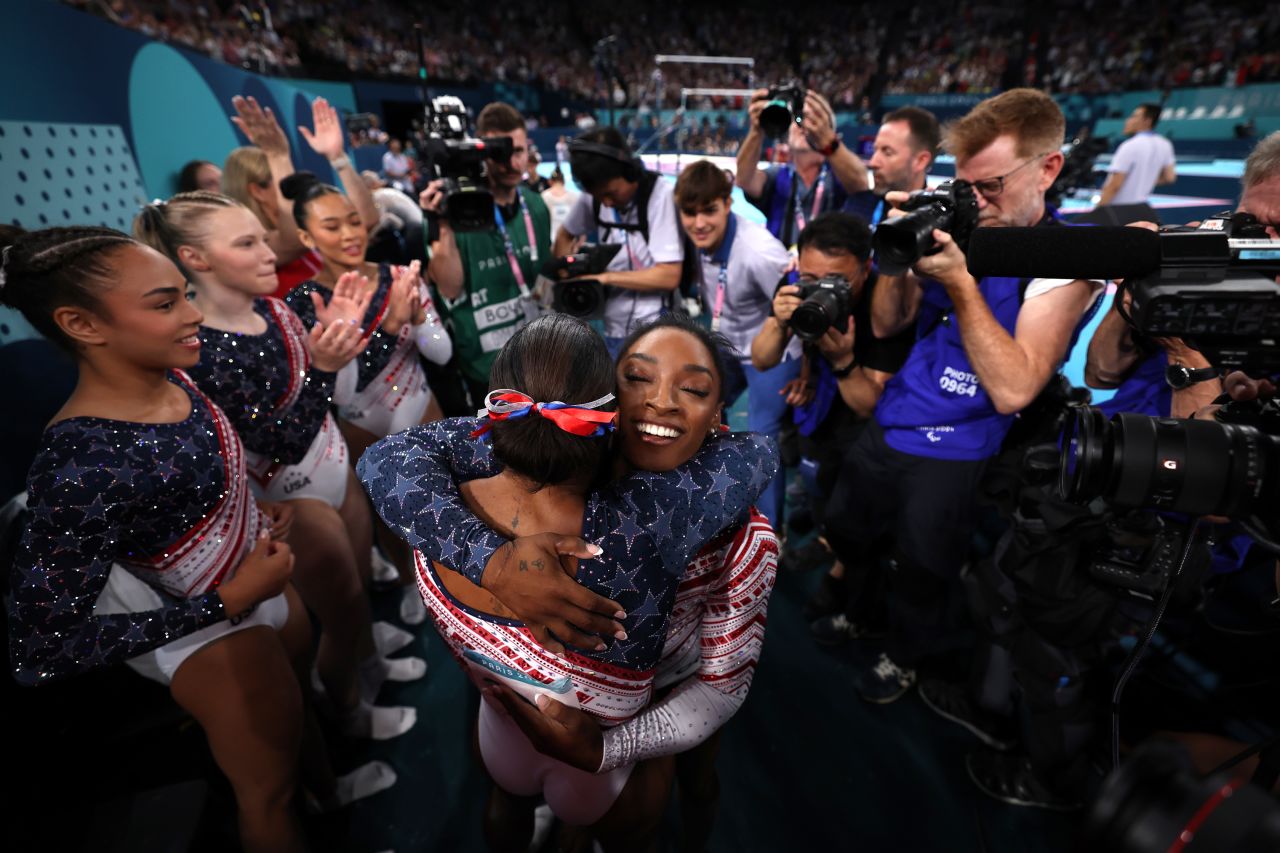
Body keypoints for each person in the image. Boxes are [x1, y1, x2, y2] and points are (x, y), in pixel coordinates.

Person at [358, 313, 777, 839]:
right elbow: (757, 451)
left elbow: (720, 688)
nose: (661, 400)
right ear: (605, 404)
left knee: (697, 780)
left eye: (691, 388)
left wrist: (483, 556)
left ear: (720, 414)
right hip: (601, 745)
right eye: (638, 377)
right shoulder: (633, 521)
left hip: (580, 716)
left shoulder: (734, 533)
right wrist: (491, 559)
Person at [2, 227, 307, 851]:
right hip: (214, 635)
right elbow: (40, 650)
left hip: (255, 584)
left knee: (300, 741)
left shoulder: (173, 375)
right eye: (166, 303)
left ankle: (330, 795)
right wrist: (224, 601)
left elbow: (194, 489)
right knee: (269, 795)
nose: (194, 314)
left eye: (187, 295)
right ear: (82, 325)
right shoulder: (80, 465)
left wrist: (251, 512)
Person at [828, 88, 1104, 703]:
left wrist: (957, 282)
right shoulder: (962, 223)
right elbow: (891, 324)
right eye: (967, 186)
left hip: (962, 442)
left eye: (993, 186)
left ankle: (905, 657)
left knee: (925, 571)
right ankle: (861, 609)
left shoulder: (1065, 256)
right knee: (850, 527)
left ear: (1048, 168)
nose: (976, 203)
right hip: (896, 413)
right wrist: (897, 252)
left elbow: (1013, 387)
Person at [133, 192, 422, 740]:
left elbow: (330, 398)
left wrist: (356, 341)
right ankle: (350, 714)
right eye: (248, 243)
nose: (271, 252)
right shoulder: (203, 350)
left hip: (332, 464)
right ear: (196, 259)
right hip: (294, 493)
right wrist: (323, 369)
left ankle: (369, 663)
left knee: (358, 590)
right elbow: (281, 439)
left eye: (264, 238)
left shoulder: (275, 307)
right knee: (340, 613)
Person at [750, 213, 915, 631]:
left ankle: (845, 574)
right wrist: (779, 318)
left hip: (874, 416)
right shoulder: (795, 282)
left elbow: (868, 405)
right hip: (820, 405)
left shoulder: (886, 305)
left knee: (862, 506)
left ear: (866, 268)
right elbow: (762, 357)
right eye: (810, 276)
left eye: (836, 280)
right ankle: (832, 543)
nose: (820, 288)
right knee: (822, 489)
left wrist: (842, 360)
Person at [675, 159, 792, 526]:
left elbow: (797, 312)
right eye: (689, 213)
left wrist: (807, 370)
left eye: (709, 210)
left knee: (761, 439)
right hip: (726, 343)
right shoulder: (691, 238)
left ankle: (770, 532)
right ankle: (711, 506)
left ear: (728, 203)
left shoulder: (759, 252)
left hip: (773, 349)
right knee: (695, 412)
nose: (699, 223)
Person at [421, 102, 552, 406]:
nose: (511, 162)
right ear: (481, 153)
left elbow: (544, 276)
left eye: (517, 151)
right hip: (486, 371)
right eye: (500, 153)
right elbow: (450, 288)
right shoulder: (454, 214)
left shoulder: (535, 205)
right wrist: (443, 224)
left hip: (538, 360)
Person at [224, 95, 379, 297]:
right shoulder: (255, 243)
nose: (288, 178)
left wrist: (338, 158)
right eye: (278, 174)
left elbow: (367, 219)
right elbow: (292, 239)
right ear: (257, 190)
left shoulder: (308, 223)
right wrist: (277, 155)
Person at [555, 126, 685, 357]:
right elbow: (565, 235)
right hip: (612, 328)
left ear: (630, 171)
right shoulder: (594, 196)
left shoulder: (660, 196)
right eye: (598, 196)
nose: (605, 203)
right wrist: (567, 271)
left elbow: (669, 275)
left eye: (612, 193)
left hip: (657, 327)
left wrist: (605, 278)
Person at [735, 87, 870, 248]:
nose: (802, 125)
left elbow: (861, 184)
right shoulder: (778, 176)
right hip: (783, 268)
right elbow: (744, 178)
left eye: (813, 120)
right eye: (797, 119)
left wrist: (828, 143)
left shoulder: (838, 176)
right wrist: (757, 129)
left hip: (829, 267)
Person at [844, 106, 940, 228]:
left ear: (920, 161)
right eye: (875, 150)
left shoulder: (937, 223)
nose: (873, 162)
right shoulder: (857, 207)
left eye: (887, 152)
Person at [1097, 103, 1176, 207]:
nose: (1128, 120)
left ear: (1147, 121)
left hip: (1117, 209)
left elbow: (1114, 185)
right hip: (1140, 209)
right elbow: (1169, 177)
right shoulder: (1165, 144)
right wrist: (1144, 181)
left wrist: (1098, 209)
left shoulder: (1129, 145)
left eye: (1134, 116)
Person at [541, 167, 579, 242]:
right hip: (570, 241)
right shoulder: (574, 197)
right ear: (564, 182)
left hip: (550, 240)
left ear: (550, 181)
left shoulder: (544, 196)